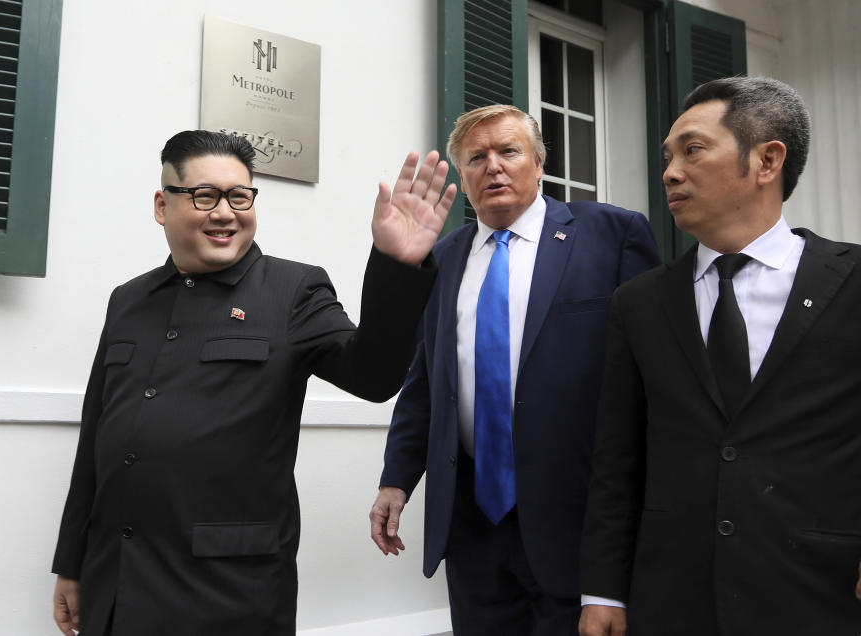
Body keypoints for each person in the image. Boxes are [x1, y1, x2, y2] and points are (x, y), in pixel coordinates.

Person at [51, 130, 456, 635]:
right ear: (162, 205)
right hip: (118, 580)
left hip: (229, 590)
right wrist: (72, 561)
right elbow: (96, 438)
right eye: (204, 196)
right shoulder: (129, 300)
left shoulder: (293, 290)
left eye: (239, 196)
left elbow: (374, 377)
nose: (225, 212)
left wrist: (399, 265)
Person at [579, 76, 861, 636]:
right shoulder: (638, 303)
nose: (670, 172)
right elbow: (617, 457)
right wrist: (603, 590)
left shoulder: (852, 281)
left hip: (821, 594)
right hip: (673, 597)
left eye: (692, 150)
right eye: (667, 157)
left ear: (767, 160)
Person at [369, 104, 660, 634]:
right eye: (477, 157)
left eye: (508, 151)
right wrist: (397, 480)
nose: (494, 166)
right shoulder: (443, 256)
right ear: (462, 174)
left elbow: (654, 381)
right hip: (474, 522)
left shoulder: (613, 235)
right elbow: (425, 383)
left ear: (539, 162)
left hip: (577, 520)